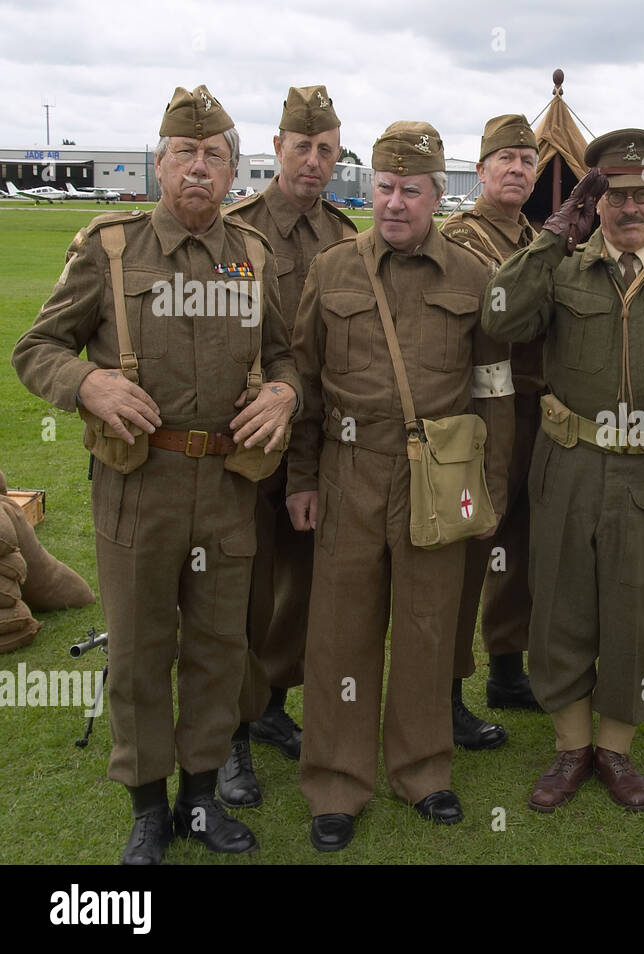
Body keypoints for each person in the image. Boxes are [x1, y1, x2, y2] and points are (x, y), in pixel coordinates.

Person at [12, 85, 298, 864]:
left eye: (213, 155)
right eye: (184, 153)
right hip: (141, 485)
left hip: (231, 484)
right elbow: (36, 350)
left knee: (217, 648)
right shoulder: (112, 248)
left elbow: (284, 354)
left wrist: (283, 390)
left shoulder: (254, 255)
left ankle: (201, 801)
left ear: (232, 169)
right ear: (160, 162)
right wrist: (89, 385)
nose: (197, 167)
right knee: (139, 650)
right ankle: (146, 806)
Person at [484, 129, 644, 814]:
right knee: (561, 609)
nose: (629, 209)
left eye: (642, 195)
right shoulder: (560, 267)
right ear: (594, 201)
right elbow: (499, 316)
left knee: (633, 613)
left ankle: (616, 750)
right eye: (614, 196)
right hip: (569, 464)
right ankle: (572, 748)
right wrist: (548, 239)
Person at [288, 121, 512, 851]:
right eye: (383, 186)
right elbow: (306, 383)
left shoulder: (473, 279)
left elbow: (495, 391)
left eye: (410, 190)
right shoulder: (334, 269)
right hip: (349, 469)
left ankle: (423, 771)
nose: (393, 202)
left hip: (439, 476)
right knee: (340, 633)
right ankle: (335, 781)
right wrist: (301, 478)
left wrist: (492, 489)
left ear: (437, 194)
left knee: (427, 625)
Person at [219, 83, 357, 807]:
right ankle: (230, 736)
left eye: (326, 148)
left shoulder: (346, 237)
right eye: (300, 146)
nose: (313, 159)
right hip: (244, 445)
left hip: (317, 446)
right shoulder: (234, 229)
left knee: (303, 589)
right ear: (275, 148)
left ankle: (270, 706)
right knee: (238, 591)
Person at [443, 114, 542, 751]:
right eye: (503, 158)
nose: (516, 169)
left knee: (521, 544)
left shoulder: (536, 234)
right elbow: (499, 316)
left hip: (535, 408)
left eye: (527, 160)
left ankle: (508, 667)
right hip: (478, 415)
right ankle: (446, 691)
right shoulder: (461, 238)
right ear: (480, 171)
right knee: (465, 550)